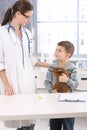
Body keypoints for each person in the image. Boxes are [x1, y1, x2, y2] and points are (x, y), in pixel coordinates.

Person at [0, 0, 49, 130]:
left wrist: (50, 65)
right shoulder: (2, 33)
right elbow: (0, 62)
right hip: (12, 83)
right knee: (18, 118)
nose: (29, 20)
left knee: (30, 118)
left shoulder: (27, 34)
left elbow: (30, 59)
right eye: (27, 16)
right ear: (17, 14)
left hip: (28, 82)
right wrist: (6, 84)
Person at [44, 41, 79, 130]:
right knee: (54, 126)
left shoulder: (72, 68)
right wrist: (51, 91)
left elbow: (75, 85)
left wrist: (67, 80)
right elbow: (47, 82)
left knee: (68, 126)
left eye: (59, 50)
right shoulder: (51, 67)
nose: (56, 52)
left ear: (67, 55)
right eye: (56, 49)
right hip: (54, 101)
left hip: (68, 102)